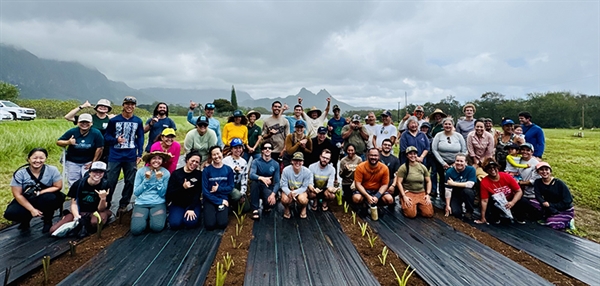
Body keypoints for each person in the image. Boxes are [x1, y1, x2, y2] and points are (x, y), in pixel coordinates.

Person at [4, 148, 64, 233]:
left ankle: (48, 220)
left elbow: (58, 186)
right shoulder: (20, 173)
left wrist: (40, 192)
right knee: (11, 213)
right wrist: (32, 210)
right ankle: (25, 220)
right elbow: (17, 195)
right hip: (28, 198)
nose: (38, 161)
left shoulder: (52, 170)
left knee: (49, 198)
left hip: (46, 196)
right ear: (28, 159)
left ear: (45, 159)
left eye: (41, 158)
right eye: (35, 158)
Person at [49, 161, 112, 236]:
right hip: (80, 211)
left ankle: (104, 216)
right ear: (89, 172)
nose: (97, 174)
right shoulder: (78, 184)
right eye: (95, 171)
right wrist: (76, 217)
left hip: (96, 211)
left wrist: (103, 198)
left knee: (95, 223)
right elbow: (74, 203)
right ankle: (80, 224)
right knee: (53, 230)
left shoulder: (106, 185)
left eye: (101, 172)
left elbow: (101, 209)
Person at [104, 96, 144, 212]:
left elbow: (140, 137)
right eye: (127, 104)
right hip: (115, 155)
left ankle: (124, 204)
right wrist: (116, 140)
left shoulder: (137, 121)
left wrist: (139, 153)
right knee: (111, 180)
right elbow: (106, 136)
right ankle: (107, 203)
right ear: (123, 105)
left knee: (130, 181)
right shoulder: (114, 121)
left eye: (132, 104)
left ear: (135, 106)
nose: (129, 106)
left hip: (131, 155)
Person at [475, 158, 531, 225]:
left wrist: (512, 202)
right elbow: (484, 201)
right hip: (497, 202)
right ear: (486, 170)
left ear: (497, 167)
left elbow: (519, 191)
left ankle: (518, 216)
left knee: (524, 201)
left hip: (510, 200)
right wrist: (482, 217)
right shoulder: (484, 182)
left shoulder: (506, 176)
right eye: (489, 168)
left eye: (494, 167)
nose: (492, 170)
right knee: (492, 213)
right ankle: (497, 217)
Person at [56, 113, 104, 187]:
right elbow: (59, 142)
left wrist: (93, 163)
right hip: (72, 162)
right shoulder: (72, 131)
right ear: (78, 123)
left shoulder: (96, 133)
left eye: (87, 122)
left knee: (87, 180)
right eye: (82, 122)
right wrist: (68, 142)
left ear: (91, 123)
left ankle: (84, 197)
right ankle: (74, 198)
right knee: (73, 182)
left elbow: (100, 148)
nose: (84, 124)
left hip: (88, 162)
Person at [130, 151, 171, 235]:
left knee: (157, 227)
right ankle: (145, 218)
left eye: (159, 158)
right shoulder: (141, 172)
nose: (156, 161)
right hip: (141, 203)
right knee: (136, 230)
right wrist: (146, 180)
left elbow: (163, 194)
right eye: (154, 158)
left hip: (158, 202)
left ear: (162, 161)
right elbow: (136, 193)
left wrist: (159, 180)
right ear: (149, 160)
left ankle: (153, 217)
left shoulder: (166, 173)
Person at [431, 117, 466, 200]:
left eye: (449, 124)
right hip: (441, 161)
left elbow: (464, 150)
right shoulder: (438, 135)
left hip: (456, 162)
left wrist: (457, 162)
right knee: (443, 178)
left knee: (455, 178)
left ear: (452, 125)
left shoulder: (458, 136)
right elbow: (434, 149)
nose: (447, 126)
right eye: (445, 124)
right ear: (443, 125)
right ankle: (443, 195)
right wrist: (443, 163)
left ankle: (456, 196)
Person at [532, 162, 575, 230]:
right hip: (549, 206)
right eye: (541, 170)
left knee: (551, 223)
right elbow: (538, 195)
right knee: (533, 202)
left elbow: (568, 200)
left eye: (546, 169)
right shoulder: (538, 182)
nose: (544, 172)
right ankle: (549, 215)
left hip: (563, 208)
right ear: (538, 172)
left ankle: (568, 222)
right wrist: (544, 202)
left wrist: (551, 205)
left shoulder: (559, 183)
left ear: (550, 171)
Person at [166, 152, 202, 230]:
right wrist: (183, 187)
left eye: (197, 162)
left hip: (192, 203)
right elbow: (170, 193)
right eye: (192, 161)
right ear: (187, 160)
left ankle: (195, 214)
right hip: (177, 203)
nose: (194, 163)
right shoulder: (176, 174)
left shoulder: (198, 174)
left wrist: (191, 208)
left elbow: (197, 193)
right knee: (175, 224)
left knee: (190, 223)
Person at [202, 146, 234, 230]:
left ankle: (226, 210)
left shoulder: (228, 169)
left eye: (218, 153)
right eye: (214, 155)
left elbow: (231, 187)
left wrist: (219, 189)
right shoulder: (207, 171)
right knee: (210, 225)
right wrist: (219, 201)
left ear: (222, 153)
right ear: (211, 157)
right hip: (210, 199)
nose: (216, 156)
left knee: (222, 224)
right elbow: (205, 191)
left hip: (223, 198)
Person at [396, 146, 433, 218]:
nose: (413, 156)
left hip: (421, 192)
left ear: (417, 155)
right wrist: (404, 196)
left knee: (428, 214)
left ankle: (418, 206)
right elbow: (399, 182)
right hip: (409, 192)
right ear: (407, 155)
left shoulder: (422, 167)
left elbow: (428, 181)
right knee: (411, 214)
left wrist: (428, 194)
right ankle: (404, 202)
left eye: (414, 154)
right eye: (410, 154)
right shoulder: (403, 168)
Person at [249, 142, 281, 220]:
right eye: (265, 148)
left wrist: (273, 194)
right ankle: (255, 209)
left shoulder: (275, 164)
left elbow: (277, 182)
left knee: (270, 204)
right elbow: (251, 175)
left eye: (269, 148)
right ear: (262, 150)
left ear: (271, 150)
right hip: (258, 185)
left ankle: (266, 203)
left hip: (268, 187)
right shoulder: (256, 162)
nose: (267, 150)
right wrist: (262, 178)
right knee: (254, 183)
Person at [444, 153, 476, 219]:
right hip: (455, 193)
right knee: (455, 212)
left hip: (467, 191)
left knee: (468, 192)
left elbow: (470, 184)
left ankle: (469, 211)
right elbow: (448, 190)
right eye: (457, 161)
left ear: (466, 162)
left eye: (461, 161)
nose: (459, 163)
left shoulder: (471, 169)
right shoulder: (449, 172)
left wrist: (453, 183)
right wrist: (447, 205)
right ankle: (454, 206)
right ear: (454, 161)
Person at [280, 152, 312, 219]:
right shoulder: (286, 170)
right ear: (292, 161)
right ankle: (287, 207)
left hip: (301, 191)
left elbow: (304, 187)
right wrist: (289, 192)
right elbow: (283, 185)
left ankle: (303, 207)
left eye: (300, 161)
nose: (297, 163)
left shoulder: (307, 172)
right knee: (284, 199)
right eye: (295, 160)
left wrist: (296, 192)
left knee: (303, 200)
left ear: (303, 162)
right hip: (289, 190)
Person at [222, 138, 249, 212]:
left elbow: (244, 178)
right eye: (235, 148)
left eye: (240, 148)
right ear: (231, 149)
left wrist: (243, 193)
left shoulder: (244, 162)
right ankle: (228, 202)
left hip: (237, 184)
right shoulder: (225, 161)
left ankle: (234, 204)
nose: (238, 150)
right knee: (236, 195)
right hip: (227, 184)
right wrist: (233, 170)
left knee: (245, 208)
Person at [327, 104, 347, 174]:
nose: (336, 112)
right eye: (335, 111)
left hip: (343, 143)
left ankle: (344, 176)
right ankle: (335, 178)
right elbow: (329, 135)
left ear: (339, 111)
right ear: (333, 111)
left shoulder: (343, 120)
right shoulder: (330, 121)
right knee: (334, 161)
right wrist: (329, 130)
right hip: (334, 143)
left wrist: (344, 143)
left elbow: (346, 132)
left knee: (344, 161)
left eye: (337, 110)